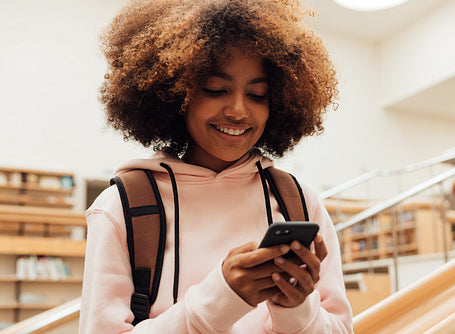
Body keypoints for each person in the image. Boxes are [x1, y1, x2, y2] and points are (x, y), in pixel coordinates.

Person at [79, 0, 353, 333]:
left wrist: (296, 307)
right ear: (175, 92)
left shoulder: (300, 202)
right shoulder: (123, 206)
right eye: (215, 89)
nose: (238, 110)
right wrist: (222, 296)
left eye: (257, 94)